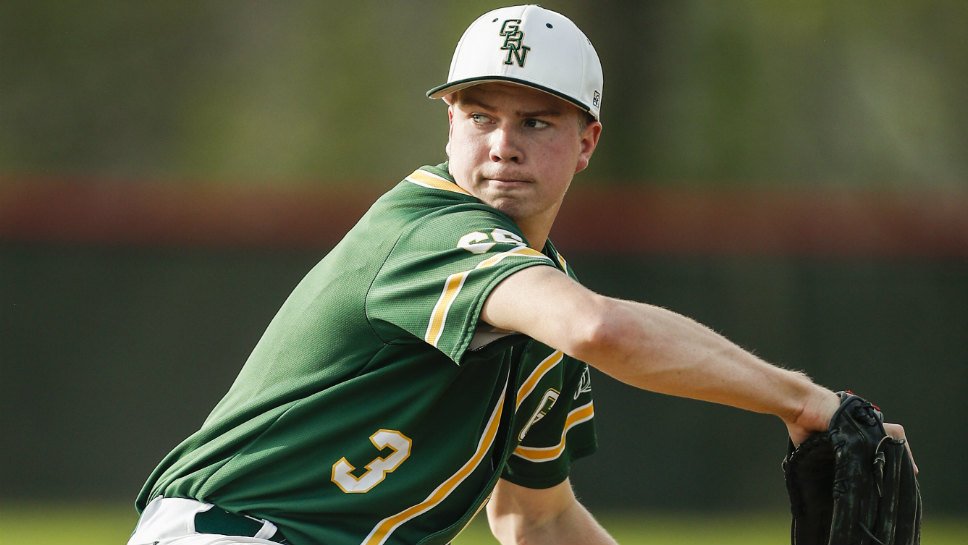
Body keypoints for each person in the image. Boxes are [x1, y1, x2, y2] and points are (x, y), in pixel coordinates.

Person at [127, 5, 913, 545]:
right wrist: (802, 400)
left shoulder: (539, 299)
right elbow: (598, 328)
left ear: (587, 141)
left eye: (535, 120)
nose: (503, 142)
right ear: (450, 124)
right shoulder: (429, 229)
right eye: (480, 115)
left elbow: (537, 520)